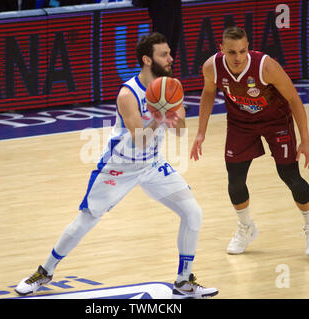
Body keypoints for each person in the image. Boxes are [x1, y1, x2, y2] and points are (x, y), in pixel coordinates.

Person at [15, 32, 218, 299]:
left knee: (193, 213)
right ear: (147, 59)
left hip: (152, 165)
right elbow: (141, 140)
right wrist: (159, 117)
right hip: (119, 165)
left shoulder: (171, 86)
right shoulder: (128, 94)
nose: (170, 58)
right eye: (164, 54)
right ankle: (45, 272)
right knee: (87, 219)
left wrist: (171, 114)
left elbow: (180, 131)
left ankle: (183, 282)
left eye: (169, 53)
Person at [190, 26, 309, 256]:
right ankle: (246, 227)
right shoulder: (211, 67)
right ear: (221, 49)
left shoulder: (266, 66)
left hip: (276, 121)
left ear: (248, 49)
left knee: (290, 176)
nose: (238, 57)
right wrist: (200, 132)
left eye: (243, 51)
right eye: (232, 52)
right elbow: (208, 93)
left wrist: (306, 140)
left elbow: (293, 99)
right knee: (235, 181)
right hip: (240, 123)